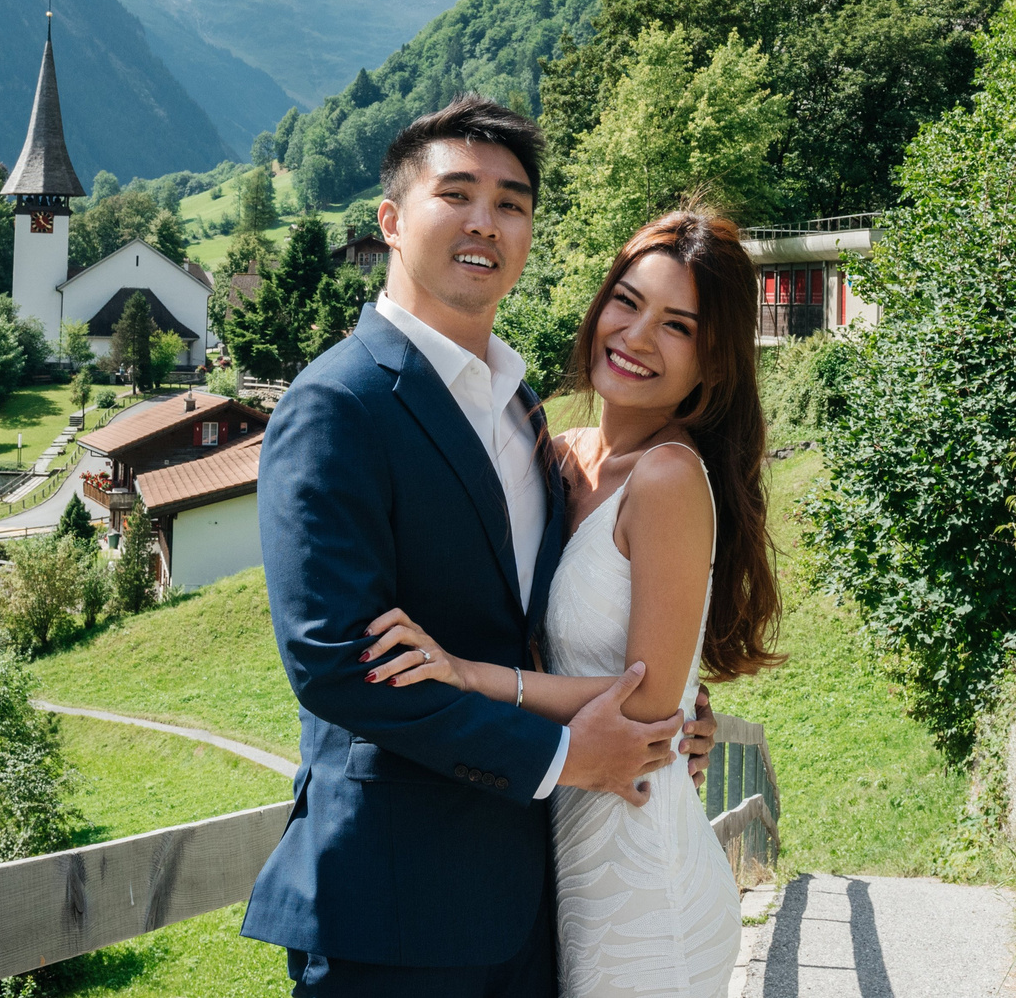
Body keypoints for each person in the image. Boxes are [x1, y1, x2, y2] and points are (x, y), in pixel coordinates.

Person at [244, 97, 720, 996]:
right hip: (392, 907)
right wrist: (572, 756)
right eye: (456, 193)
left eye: (511, 202)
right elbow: (336, 662)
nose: (484, 221)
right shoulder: (336, 404)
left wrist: (670, 705)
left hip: (534, 899)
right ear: (391, 220)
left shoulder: (524, 407)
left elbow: (554, 619)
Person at [365, 207, 780, 997]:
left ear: (713, 363)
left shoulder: (666, 478)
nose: (636, 335)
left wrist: (473, 676)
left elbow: (650, 703)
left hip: (641, 871)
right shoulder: (562, 456)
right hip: (560, 847)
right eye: (627, 301)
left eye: (678, 325)